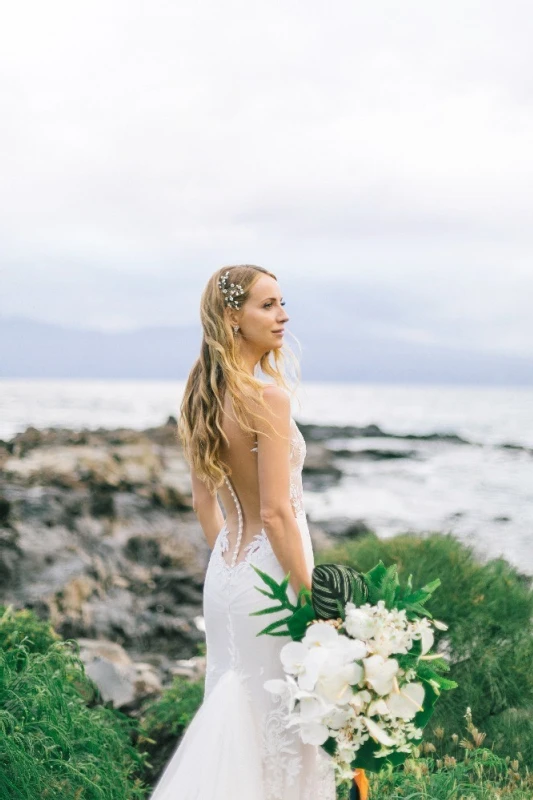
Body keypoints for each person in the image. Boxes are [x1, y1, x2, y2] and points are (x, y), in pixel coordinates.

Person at [149, 265, 336, 800]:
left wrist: (235, 563)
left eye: (282, 303)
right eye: (268, 305)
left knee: (237, 721)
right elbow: (277, 513)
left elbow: (203, 501)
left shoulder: (198, 394)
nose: (284, 316)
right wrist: (315, 599)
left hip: (227, 578)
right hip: (273, 582)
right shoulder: (268, 398)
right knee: (282, 731)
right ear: (234, 317)